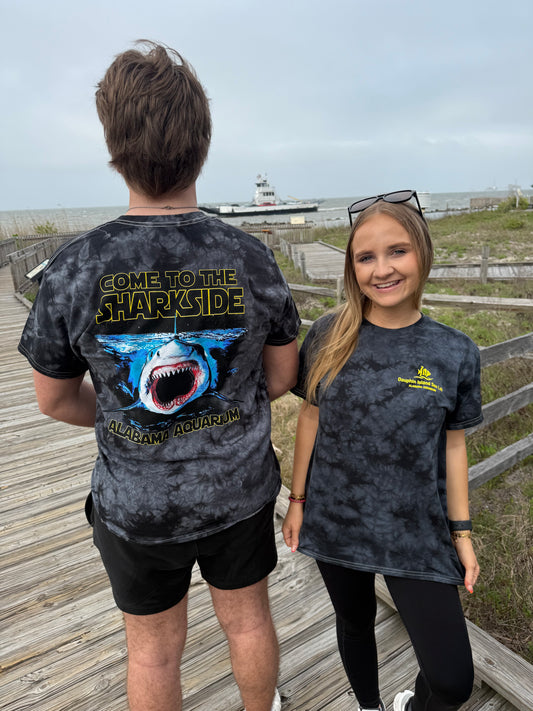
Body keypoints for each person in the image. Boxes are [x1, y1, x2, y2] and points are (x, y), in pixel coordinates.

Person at [18, 41, 299, 711]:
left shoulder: (74, 267)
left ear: (113, 149)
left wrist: (131, 411)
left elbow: (53, 399)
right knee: (248, 622)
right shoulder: (250, 257)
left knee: (152, 651)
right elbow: (282, 376)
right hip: (238, 492)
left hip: (134, 505)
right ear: (203, 144)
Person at [282, 190, 482, 711]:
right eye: (365, 257)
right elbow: (310, 417)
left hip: (414, 529)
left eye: (397, 251)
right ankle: (369, 706)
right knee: (354, 622)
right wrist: (297, 502)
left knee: (452, 681)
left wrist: (461, 534)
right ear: (352, 268)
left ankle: (412, 704)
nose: (382, 269)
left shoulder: (455, 350)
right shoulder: (329, 333)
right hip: (336, 517)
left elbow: (454, 446)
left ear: (422, 253)